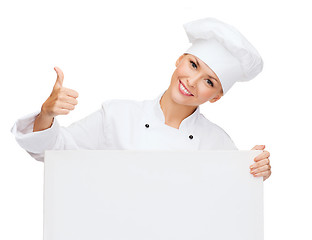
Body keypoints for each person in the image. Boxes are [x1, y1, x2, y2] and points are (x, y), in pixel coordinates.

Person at [11, 17, 271, 181]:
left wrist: (254, 170)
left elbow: (230, 200)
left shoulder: (218, 143)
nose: (192, 81)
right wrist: (47, 114)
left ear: (216, 97)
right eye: (193, 65)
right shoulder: (117, 116)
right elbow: (53, 152)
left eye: (209, 81)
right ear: (179, 60)